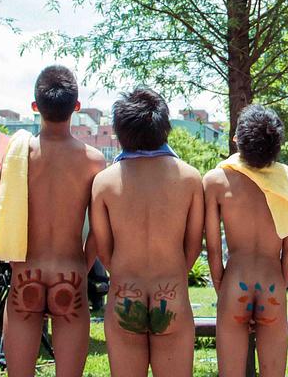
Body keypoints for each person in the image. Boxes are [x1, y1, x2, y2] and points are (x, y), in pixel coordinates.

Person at [0, 66, 106, 377]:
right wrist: (82, 267)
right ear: (77, 107)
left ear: (35, 106)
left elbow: (4, 210)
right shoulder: (94, 160)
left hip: (26, 272)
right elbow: (99, 230)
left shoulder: (18, 155)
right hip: (70, 273)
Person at [89, 87, 204, 377]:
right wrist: (174, 274)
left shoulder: (104, 183)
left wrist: (123, 274)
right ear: (165, 127)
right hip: (172, 296)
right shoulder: (190, 178)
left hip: (125, 295)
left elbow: (104, 250)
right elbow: (193, 247)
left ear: (120, 131)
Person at [203, 104, 288, 377]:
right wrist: (281, 285)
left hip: (235, 283)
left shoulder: (216, 180)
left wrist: (223, 293)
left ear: (237, 139)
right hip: (272, 284)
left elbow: (213, 250)